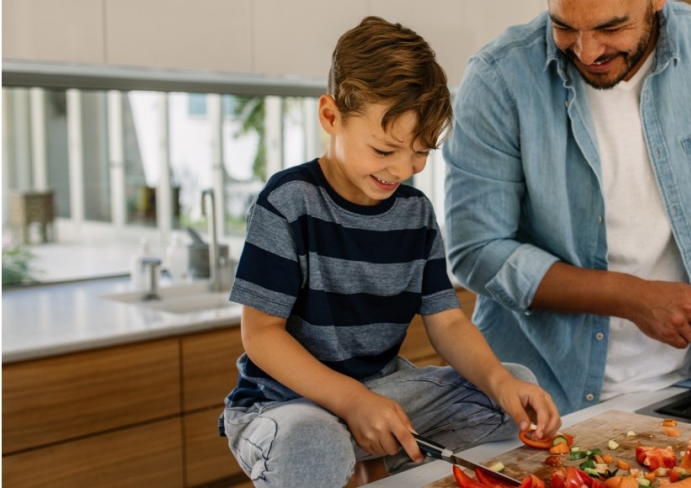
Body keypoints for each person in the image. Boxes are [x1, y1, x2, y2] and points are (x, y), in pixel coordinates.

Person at [220, 16, 560, 487]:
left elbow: (448, 321)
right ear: (331, 117)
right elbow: (260, 335)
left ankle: (369, 462)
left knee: (512, 387)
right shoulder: (288, 202)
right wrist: (350, 401)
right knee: (315, 442)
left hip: (378, 391)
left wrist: (501, 382)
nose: (403, 168)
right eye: (384, 150)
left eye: (420, 151)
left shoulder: (416, 214)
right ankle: (356, 459)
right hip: (285, 404)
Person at [443, 0, 691, 414]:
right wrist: (633, 297)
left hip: (683, 388)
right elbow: (476, 252)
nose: (587, 51)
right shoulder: (498, 78)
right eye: (563, 27)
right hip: (537, 397)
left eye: (611, 28)